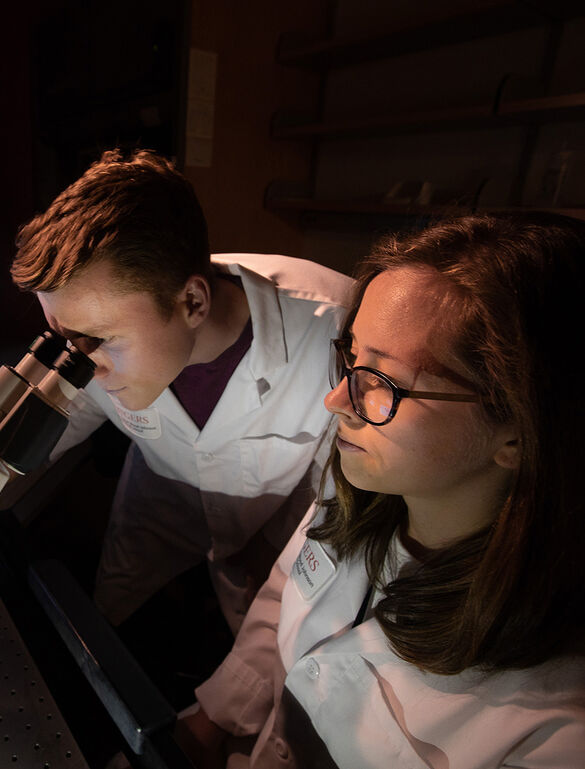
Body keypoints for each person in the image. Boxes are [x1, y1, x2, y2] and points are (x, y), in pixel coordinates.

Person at [177, 211, 585, 768]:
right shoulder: (355, 497)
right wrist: (209, 723)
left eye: (384, 382)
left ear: (517, 428)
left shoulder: (555, 730)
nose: (338, 401)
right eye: (351, 359)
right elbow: (283, 595)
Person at [10, 148, 353, 633]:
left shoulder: (336, 336)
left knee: (261, 645)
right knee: (111, 622)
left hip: (276, 521)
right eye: (66, 337)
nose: (82, 364)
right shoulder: (95, 330)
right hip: (158, 495)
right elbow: (20, 445)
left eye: (101, 340)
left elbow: (342, 520)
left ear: (193, 301)